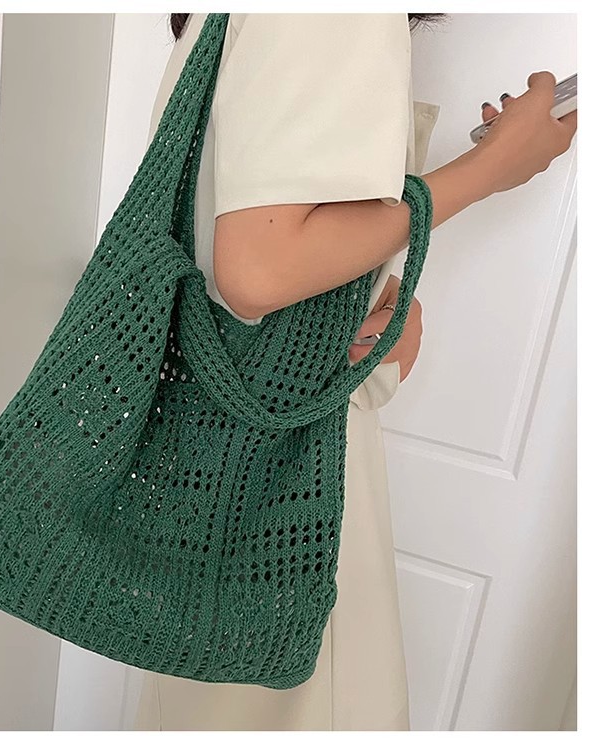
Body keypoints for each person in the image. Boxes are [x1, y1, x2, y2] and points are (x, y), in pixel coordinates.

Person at [132, 12, 577, 732]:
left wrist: (356, 316)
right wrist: (491, 169)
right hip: (287, 477)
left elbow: (230, 253)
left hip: (209, 464)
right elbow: (259, 269)